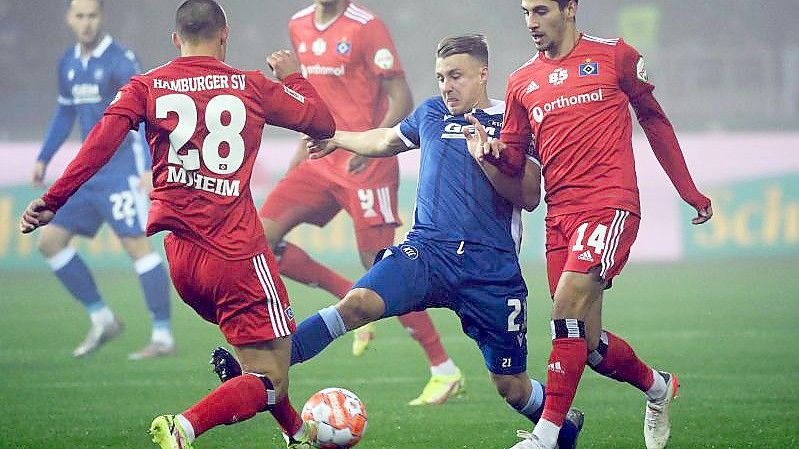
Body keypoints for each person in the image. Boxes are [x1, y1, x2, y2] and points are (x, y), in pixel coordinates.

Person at [20, 1, 336, 448]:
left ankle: (298, 434)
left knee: (259, 365)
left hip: (184, 263)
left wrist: (54, 200)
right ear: (225, 35)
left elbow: (98, 145)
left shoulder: (145, 86)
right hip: (237, 255)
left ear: (175, 39)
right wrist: (294, 76)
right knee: (272, 381)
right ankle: (184, 428)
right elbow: (323, 122)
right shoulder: (250, 85)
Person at [296, 34, 584, 448]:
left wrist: (486, 157)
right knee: (357, 303)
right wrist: (338, 138)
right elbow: (385, 140)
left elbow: (529, 196)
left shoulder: (515, 121)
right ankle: (269, 366)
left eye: (456, 76)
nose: (446, 86)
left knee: (512, 388)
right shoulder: (431, 113)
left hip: (491, 269)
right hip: (427, 253)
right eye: (440, 77)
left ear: (483, 74)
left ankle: (562, 425)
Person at [471, 1, 713, 448]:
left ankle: (546, 435)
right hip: (559, 218)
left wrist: (688, 190)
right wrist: (489, 152)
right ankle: (659, 388)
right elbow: (514, 157)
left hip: (610, 206)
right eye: (525, 12)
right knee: (589, 344)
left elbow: (654, 120)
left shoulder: (615, 56)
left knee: (564, 310)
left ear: (569, 8)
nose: (530, 22)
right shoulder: (521, 82)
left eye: (541, 10)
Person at [257, 0, 464, 405]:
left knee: (384, 268)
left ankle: (444, 369)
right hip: (320, 157)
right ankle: (348, 294)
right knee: (259, 239)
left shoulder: (366, 26)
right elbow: (315, 100)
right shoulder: (298, 24)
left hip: (365, 162)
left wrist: (373, 145)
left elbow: (401, 97)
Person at [32, 0, 175, 359]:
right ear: (69, 19)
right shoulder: (68, 63)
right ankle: (102, 317)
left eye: (92, 15)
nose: (86, 23)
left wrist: (148, 168)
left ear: (102, 18)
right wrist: (44, 158)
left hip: (122, 170)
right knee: (49, 242)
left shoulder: (121, 60)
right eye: (79, 16)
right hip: (88, 175)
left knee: (136, 246)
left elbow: (146, 114)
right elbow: (65, 113)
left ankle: (162, 335)